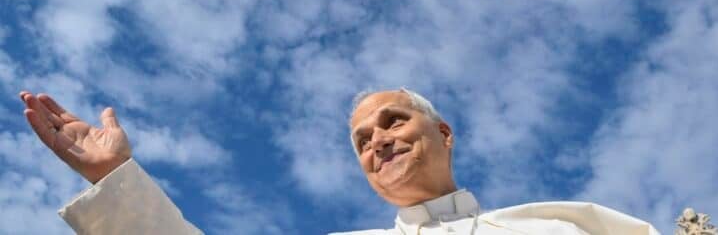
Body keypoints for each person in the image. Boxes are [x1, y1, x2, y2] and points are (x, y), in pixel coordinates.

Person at [19, 88, 659, 234]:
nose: (376, 140)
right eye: (360, 140)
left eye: (392, 121)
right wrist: (116, 181)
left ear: (442, 131)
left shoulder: (559, 228)